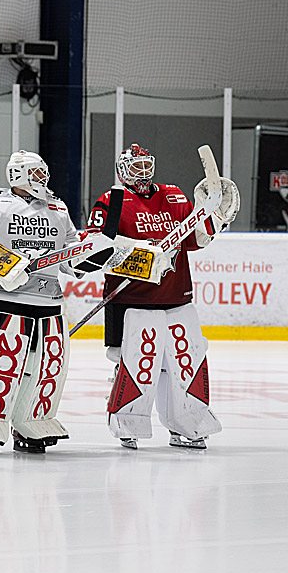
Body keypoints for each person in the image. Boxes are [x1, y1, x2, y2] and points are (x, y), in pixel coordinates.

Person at [86, 143, 238, 450]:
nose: (142, 171)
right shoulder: (111, 201)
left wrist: (214, 219)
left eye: (146, 164)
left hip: (176, 296)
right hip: (132, 301)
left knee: (185, 362)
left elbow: (193, 240)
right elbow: (95, 248)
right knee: (138, 365)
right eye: (135, 166)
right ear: (121, 170)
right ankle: (129, 422)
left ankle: (188, 423)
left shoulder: (174, 195)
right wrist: (136, 256)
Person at [0, 150, 80, 454]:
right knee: (0, 363)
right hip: (3, 298)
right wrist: (7, 266)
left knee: (44, 367)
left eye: (43, 172)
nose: (43, 178)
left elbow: (71, 249)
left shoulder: (58, 206)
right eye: (36, 173)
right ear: (18, 175)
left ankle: (31, 422)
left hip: (48, 300)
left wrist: (90, 256)